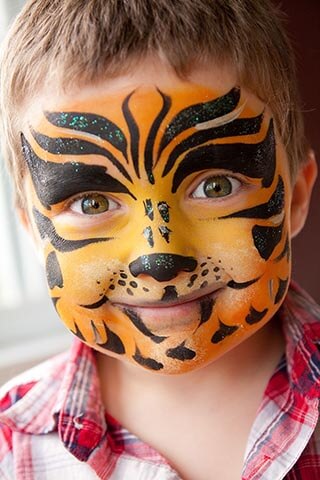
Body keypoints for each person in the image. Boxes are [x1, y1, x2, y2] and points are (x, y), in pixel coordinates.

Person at [0, 0, 319, 478]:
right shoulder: (11, 448)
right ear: (33, 229)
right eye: (91, 203)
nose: (158, 256)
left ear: (294, 198)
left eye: (215, 186)